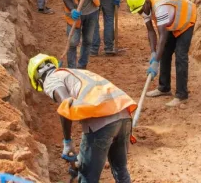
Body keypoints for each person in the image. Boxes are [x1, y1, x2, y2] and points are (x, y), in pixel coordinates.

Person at [27, 54, 135, 183]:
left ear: (38, 80)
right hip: (124, 114)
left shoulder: (50, 80)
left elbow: (66, 105)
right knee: (120, 169)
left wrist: (67, 142)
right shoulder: (76, 73)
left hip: (101, 122)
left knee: (88, 178)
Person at [126, 0, 197, 108]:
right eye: (137, 12)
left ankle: (181, 95)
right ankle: (164, 88)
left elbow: (162, 36)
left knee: (180, 56)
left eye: (140, 10)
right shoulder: (144, 6)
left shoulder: (161, 7)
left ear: (146, 3)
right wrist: (153, 53)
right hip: (171, 22)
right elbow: (151, 31)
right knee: (164, 52)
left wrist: (155, 62)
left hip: (185, 19)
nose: (140, 13)